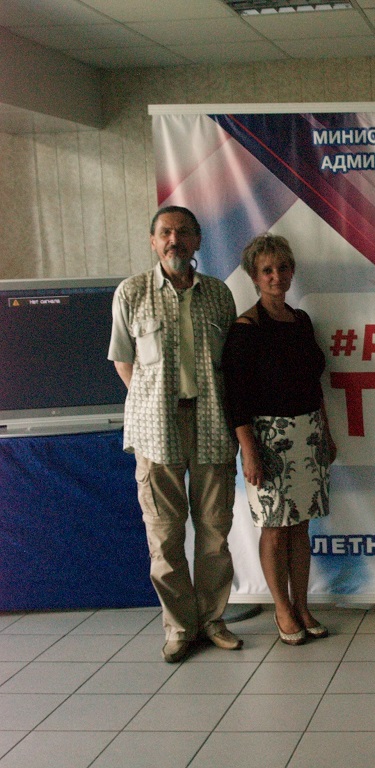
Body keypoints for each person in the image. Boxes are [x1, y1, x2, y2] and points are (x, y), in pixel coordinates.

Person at [108, 205, 242, 663]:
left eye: (183, 232)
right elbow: (123, 361)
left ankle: (213, 620)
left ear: (198, 241)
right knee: (164, 537)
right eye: (165, 232)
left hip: (211, 424)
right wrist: (151, 405)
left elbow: (229, 364)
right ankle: (180, 627)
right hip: (156, 429)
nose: (174, 240)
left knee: (215, 532)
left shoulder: (219, 294)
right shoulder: (132, 292)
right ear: (153, 241)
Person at [221, 234, 336, 646]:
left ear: (292, 271)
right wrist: (249, 451)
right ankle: (282, 609)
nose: (276, 276)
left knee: (301, 526)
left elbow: (313, 384)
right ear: (254, 277)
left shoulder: (301, 320)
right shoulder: (245, 329)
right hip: (268, 439)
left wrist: (326, 433)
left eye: (283, 268)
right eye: (267, 270)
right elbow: (235, 398)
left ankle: (302, 605)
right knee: (274, 529)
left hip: (308, 433)